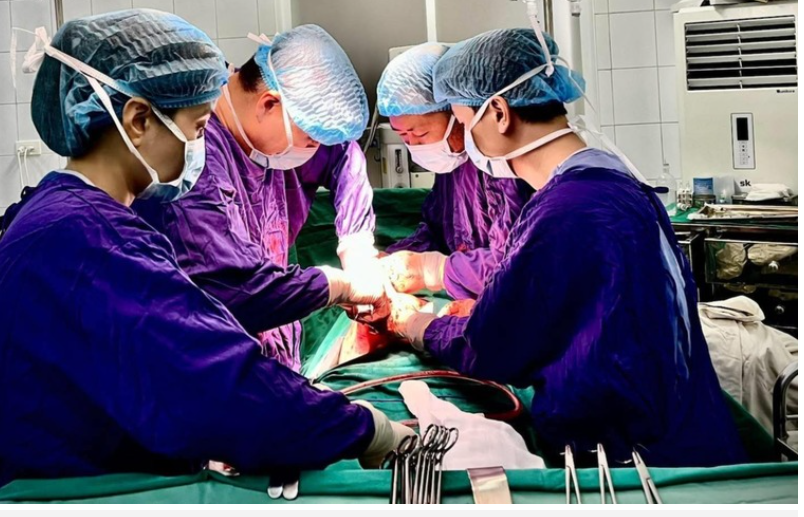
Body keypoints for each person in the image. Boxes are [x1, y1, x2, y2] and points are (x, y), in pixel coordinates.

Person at [0, 10, 410, 503]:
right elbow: (221, 389)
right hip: (77, 496)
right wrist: (367, 430)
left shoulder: (58, 215)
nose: (202, 148)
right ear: (139, 121)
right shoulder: (96, 242)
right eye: (199, 127)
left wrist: (355, 247)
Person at [387, 28, 747, 467]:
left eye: (463, 122)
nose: (464, 141)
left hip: (633, 461)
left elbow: (492, 348)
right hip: (686, 432)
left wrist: (418, 325)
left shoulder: (565, 210)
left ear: (498, 113)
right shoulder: (612, 182)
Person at [134, 24, 387, 372]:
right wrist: (338, 285)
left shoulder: (273, 133)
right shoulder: (193, 164)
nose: (313, 149)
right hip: (213, 364)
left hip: (275, 346)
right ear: (269, 104)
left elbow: (341, 152)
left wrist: (356, 246)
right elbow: (238, 290)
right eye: (311, 140)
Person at [375, 43, 532, 302]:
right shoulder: (453, 163)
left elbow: (512, 264)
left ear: (456, 114)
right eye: (402, 136)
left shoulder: (503, 165)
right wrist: (396, 261)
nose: (413, 145)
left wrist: (432, 270)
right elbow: (437, 229)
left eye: (419, 133)